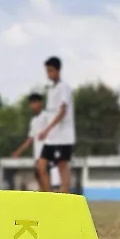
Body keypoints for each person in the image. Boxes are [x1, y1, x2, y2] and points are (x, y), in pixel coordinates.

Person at [36, 56, 74, 194]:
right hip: (51, 137)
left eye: (51, 70)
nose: (49, 74)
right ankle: (48, 196)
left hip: (63, 136)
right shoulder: (51, 89)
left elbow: (63, 111)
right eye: (47, 71)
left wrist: (47, 129)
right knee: (41, 165)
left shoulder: (64, 88)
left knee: (62, 167)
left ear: (58, 71)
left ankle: (66, 199)